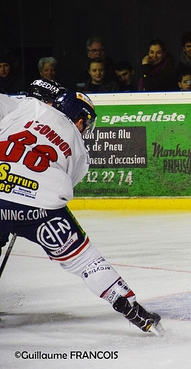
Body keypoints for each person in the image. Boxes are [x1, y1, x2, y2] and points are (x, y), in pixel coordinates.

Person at [0, 90, 162, 334]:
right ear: (79, 121)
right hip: (40, 206)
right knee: (86, 261)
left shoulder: (30, 106)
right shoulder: (81, 153)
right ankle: (132, 309)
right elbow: (66, 181)